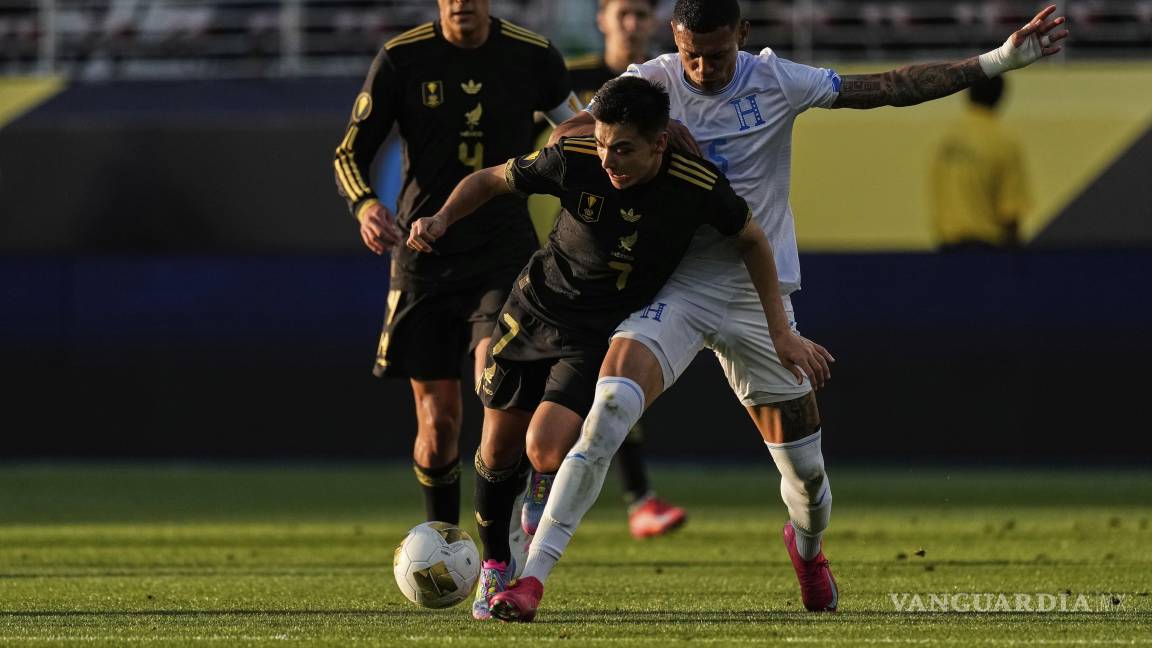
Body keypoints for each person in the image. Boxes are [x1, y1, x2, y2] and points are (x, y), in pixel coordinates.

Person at [490, 0, 1068, 621]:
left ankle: (808, 549)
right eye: (691, 54)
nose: (704, 69)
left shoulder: (777, 80)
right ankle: (531, 582)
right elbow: (569, 135)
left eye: (717, 54)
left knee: (808, 484)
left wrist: (1001, 59)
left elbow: (889, 88)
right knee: (607, 411)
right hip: (676, 291)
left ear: (742, 34)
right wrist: (665, 136)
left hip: (756, 295)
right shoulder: (649, 81)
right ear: (675, 41)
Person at [406, 76, 830, 620]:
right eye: (604, 144)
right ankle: (494, 566)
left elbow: (751, 236)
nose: (609, 159)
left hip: (590, 335)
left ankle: (540, 488)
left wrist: (779, 330)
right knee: (494, 453)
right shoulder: (573, 159)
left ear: (658, 143)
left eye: (623, 149)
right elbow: (490, 179)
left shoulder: (695, 185)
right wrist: (441, 218)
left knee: (544, 448)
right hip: (532, 311)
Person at [332, 0, 580, 527]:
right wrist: (366, 205)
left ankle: (501, 539)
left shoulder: (532, 55)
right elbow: (350, 153)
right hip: (424, 255)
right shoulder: (402, 59)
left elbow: (576, 126)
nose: (462, 3)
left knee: (496, 390)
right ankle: (444, 538)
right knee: (439, 423)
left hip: (503, 250)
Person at [525, 0, 687, 542]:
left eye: (642, 14)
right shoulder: (573, 83)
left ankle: (632, 498)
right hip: (572, 251)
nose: (632, 24)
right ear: (601, 19)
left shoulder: (667, 83)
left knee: (612, 379)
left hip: (637, 258)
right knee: (584, 379)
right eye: (623, 13)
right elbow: (538, 148)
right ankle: (609, 493)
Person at [931, 76, 1032, 251]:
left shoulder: (946, 140)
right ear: (1001, 97)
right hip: (986, 250)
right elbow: (1010, 211)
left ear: (968, 93)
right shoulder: (1004, 141)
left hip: (946, 248)